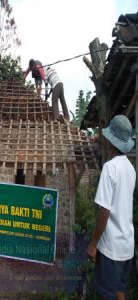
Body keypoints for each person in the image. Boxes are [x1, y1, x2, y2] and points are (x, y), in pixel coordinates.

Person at [87, 115, 135, 300]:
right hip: (127, 244)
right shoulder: (130, 169)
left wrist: (93, 244)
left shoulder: (110, 168)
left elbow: (104, 212)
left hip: (112, 248)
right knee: (119, 292)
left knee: (107, 295)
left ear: (110, 141)